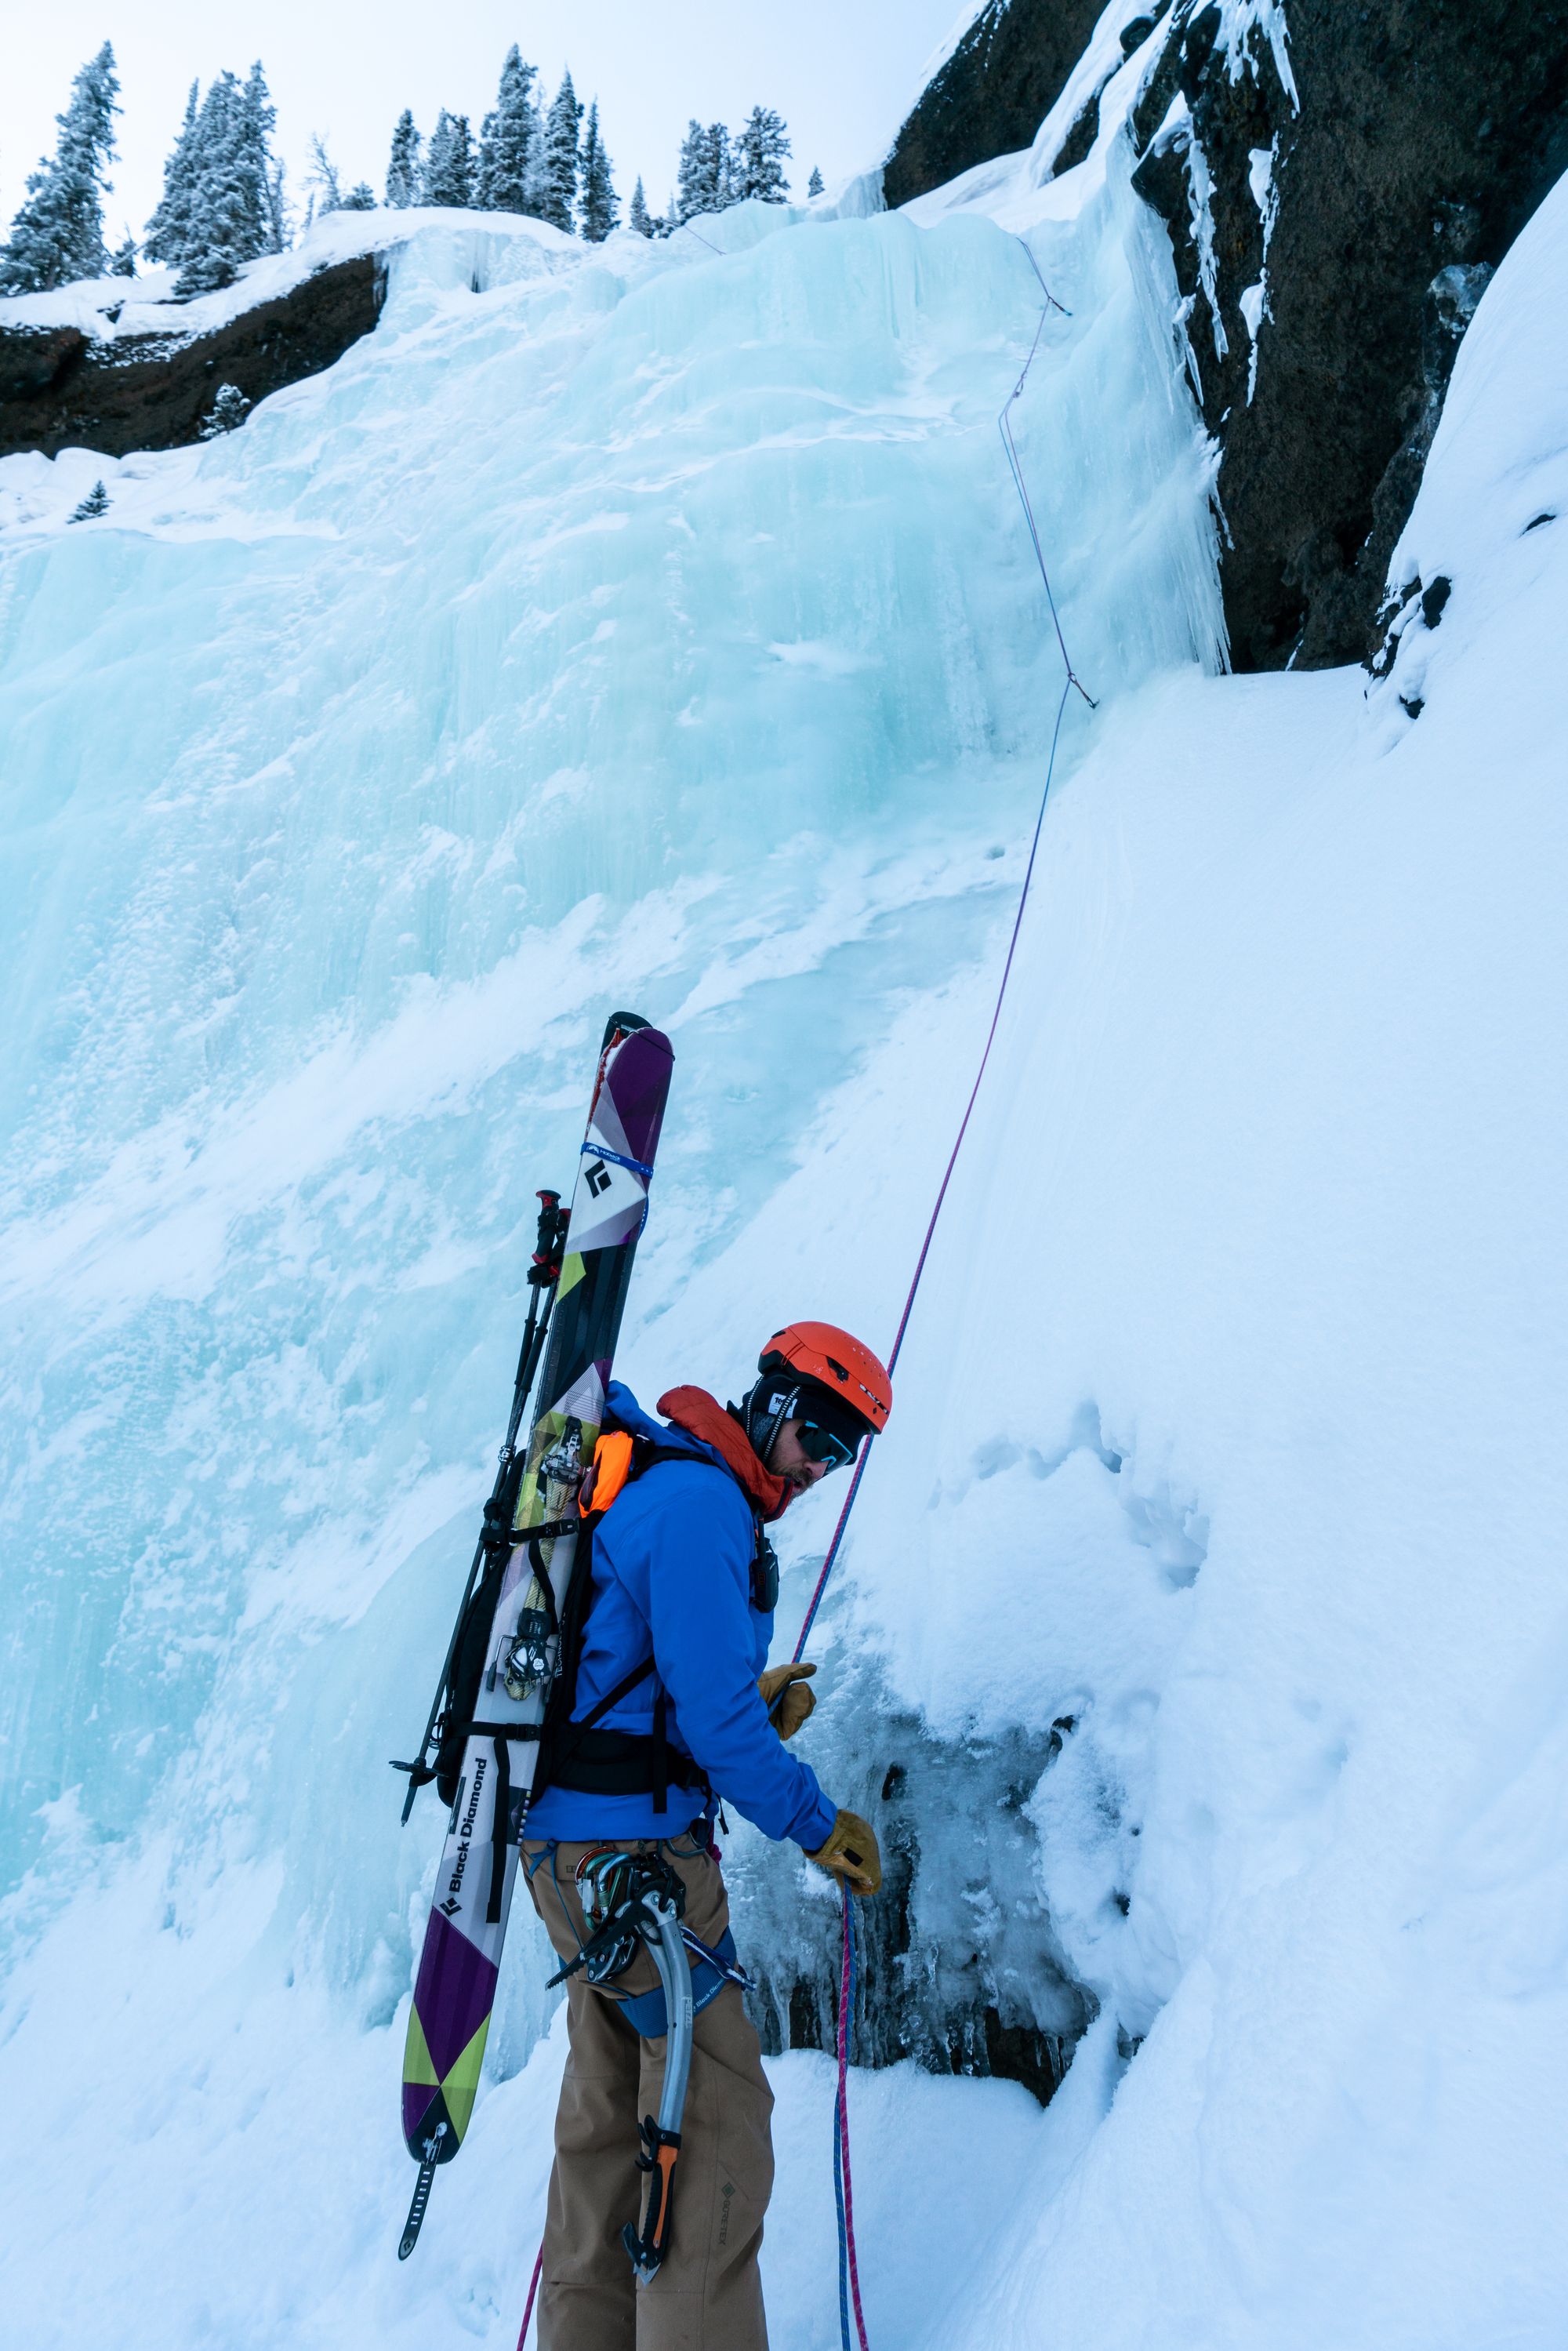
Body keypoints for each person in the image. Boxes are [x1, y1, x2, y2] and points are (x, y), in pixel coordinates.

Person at [521, 1319, 891, 2350]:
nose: (820, 1461)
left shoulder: (675, 1487)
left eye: (842, 1448)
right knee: (717, 2126)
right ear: (769, 1402)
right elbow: (721, 1735)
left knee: (609, 2119)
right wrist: (818, 1824)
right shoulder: (699, 1506)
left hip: (574, 1850)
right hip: (638, 1866)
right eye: (816, 1430)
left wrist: (737, 1708)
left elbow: (653, 1684)